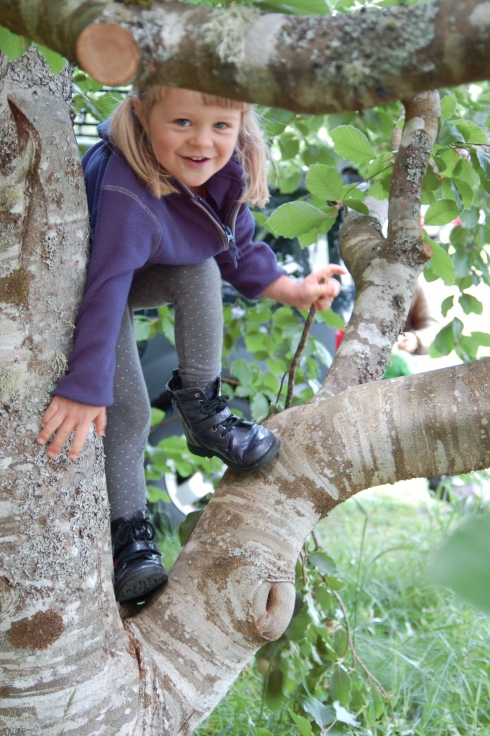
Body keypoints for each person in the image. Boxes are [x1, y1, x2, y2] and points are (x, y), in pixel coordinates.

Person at [36, 87, 344, 602]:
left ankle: (204, 410)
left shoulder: (223, 171)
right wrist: (85, 386)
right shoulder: (125, 192)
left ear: (241, 122)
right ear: (141, 111)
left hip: (138, 272)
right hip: (89, 284)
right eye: (182, 121)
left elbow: (235, 244)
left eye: (221, 126)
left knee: (200, 266)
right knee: (128, 412)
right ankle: (130, 543)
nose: (203, 141)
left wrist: (293, 290)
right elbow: (106, 283)